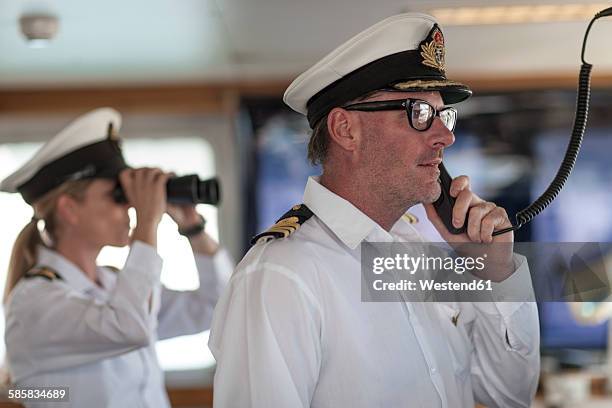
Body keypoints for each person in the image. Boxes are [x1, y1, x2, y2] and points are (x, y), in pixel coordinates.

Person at [209, 13, 539, 408]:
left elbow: (509, 395)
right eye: (418, 113)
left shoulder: (429, 254)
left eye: (443, 115)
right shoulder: (282, 275)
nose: (445, 136)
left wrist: (495, 273)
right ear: (346, 129)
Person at [0, 108, 232, 407]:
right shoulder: (34, 302)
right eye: (118, 196)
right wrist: (148, 222)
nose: (130, 209)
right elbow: (129, 327)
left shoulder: (112, 285)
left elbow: (214, 306)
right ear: (69, 209)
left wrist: (193, 227)